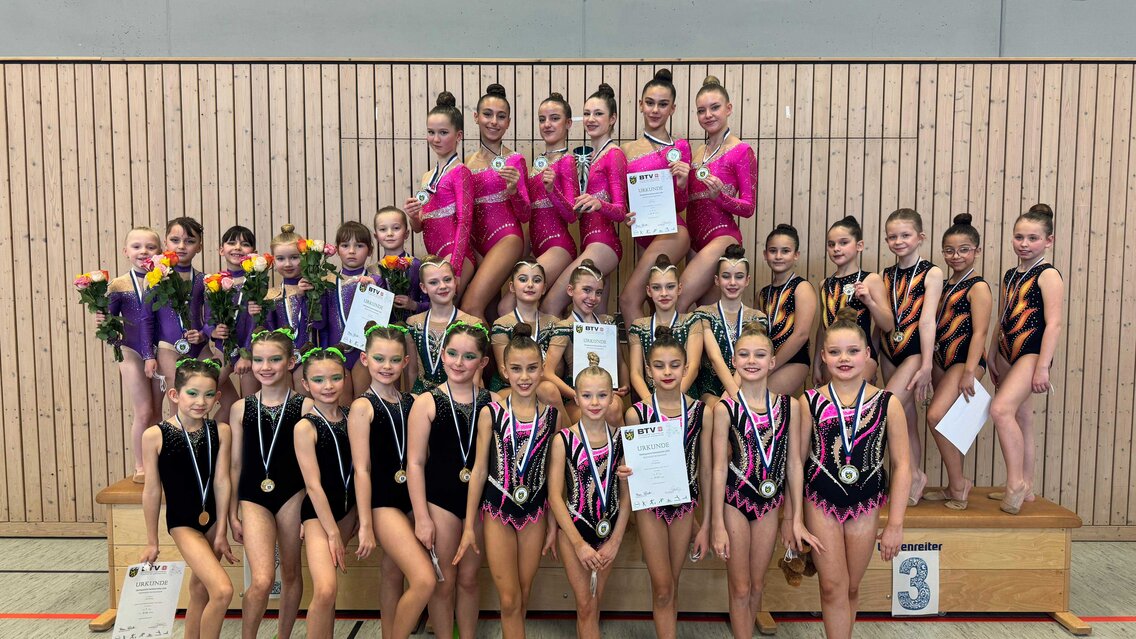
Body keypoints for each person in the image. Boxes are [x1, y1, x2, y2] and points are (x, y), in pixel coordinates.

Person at [790, 307, 911, 639]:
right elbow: (796, 462)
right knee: (832, 586)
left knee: (852, 586)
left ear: (867, 354)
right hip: (820, 499)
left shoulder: (888, 403)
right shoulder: (809, 402)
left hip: (866, 501)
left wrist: (895, 524)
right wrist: (793, 518)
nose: (844, 359)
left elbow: (903, 465)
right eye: (835, 352)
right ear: (823, 357)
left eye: (853, 351)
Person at [455, 324, 561, 639]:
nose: (524, 377)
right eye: (516, 369)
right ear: (504, 370)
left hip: (535, 511)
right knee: (510, 599)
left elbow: (557, 474)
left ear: (542, 368)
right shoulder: (492, 413)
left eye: (532, 368)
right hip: (497, 509)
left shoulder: (553, 416)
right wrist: (469, 525)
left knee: (523, 594)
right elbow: (478, 470)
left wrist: (553, 523)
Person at [407, 322, 495, 639]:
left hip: (478, 502)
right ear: (442, 355)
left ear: (483, 362)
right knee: (443, 580)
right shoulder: (427, 402)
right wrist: (421, 517)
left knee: (469, 580)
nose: (459, 362)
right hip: (439, 501)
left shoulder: (493, 402)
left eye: (469, 356)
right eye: (453, 354)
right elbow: (415, 463)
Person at [710, 323, 798, 639]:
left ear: (772, 362)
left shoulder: (790, 406)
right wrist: (717, 523)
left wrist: (793, 517)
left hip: (770, 503)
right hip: (735, 500)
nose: (751, 361)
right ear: (733, 361)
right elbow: (718, 468)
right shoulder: (725, 409)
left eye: (759, 355)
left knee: (758, 584)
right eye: (744, 355)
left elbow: (794, 464)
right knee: (740, 586)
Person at [621, 326, 709, 639]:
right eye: (659, 366)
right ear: (648, 371)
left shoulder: (700, 412)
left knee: (672, 583)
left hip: (685, 505)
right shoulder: (636, 414)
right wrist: (624, 472)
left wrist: (706, 523)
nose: (667, 372)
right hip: (651, 507)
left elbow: (706, 468)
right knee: (661, 588)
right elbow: (630, 469)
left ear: (686, 368)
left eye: (674, 365)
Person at [348, 323, 435, 639]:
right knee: (424, 580)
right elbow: (361, 469)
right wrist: (365, 524)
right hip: (383, 502)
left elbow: (421, 456)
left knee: (392, 572)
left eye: (395, 360)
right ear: (365, 359)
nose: (387, 366)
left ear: (405, 362)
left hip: (412, 498)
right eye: (379, 358)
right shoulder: (362, 406)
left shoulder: (412, 402)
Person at [139, 358, 235, 639]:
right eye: (192, 393)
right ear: (174, 394)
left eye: (208, 395)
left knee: (200, 589)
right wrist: (152, 541)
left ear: (217, 397)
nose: (200, 402)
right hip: (183, 523)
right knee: (223, 591)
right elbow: (152, 490)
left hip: (213, 520)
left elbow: (222, 480)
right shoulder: (155, 435)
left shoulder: (221, 431)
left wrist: (223, 529)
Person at [228, 328, 306, 639]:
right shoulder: (241, 408)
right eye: (259, 360)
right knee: (261, 580)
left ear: (291, 362)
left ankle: (283, 636)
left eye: (275, 359)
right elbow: (235, 465)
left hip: (292, 495)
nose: (266, 367)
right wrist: (232, 513)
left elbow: (313, 468)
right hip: (253, 496)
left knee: (291, 572)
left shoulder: (306, 407)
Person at [547, 354, 630, 639]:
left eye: (602, 395)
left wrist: (615, 541)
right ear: (576, 398)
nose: (594, 402)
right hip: (575, 531)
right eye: (587, 396)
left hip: (609, 531)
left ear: (612, 398)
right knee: (585, 605)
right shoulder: (564, 440)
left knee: (594, 605)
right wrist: (579, 544)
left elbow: (627, 497)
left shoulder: (622, 439)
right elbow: (555, 497)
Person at [988, 204, 1063, 514]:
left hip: (1031, 353)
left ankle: (1015, 482)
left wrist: (1043, 366)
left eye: (1033, 238)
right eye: (1019, 237)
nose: (1024, 244)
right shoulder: (1011, 274)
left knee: (1000, 410)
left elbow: (1054, 324)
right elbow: (1004, 316)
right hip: (1007, 351)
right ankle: (1027, 486)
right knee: (1022, 419)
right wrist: (992, 352)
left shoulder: (1048, 275)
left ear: (1048, 241)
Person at [542, 83, 632, 317]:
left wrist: (600, 203)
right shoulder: (587, 157)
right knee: (596, 321)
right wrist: (553, 190)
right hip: (590, 242)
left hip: (604, 243)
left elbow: (620, 211)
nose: (591, 119)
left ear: (612, 119)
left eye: (598, 114)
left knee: (551, 305)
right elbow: (573, 209)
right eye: (587, 114)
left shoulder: (614, 155)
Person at [924, 214, 991, 511]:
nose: (956, 256)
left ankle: (959, 484)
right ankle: (955, 484)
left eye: (964, 249)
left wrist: (969, 371)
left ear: (977, 250)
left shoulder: (978, 287)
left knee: (936, 416)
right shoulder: (943, 284)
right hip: (942, 357)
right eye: (949, 250)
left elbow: (980, 332)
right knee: (952, 424)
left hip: (964, 359)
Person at [879, 209, 943, 505]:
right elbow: (883, 319)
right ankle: (914, 476)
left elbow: (927, 320)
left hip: (915, 351)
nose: (899, 241)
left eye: (905, 235)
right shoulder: (886, 275)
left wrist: (927, 364)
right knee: (905, 417)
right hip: (888, 350)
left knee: (885, 409)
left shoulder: (932, 272)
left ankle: (909, 474)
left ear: (920, 237)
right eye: (892, 236)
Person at [619, 68, 693, 323]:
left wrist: (682, 182)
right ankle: (658, 349)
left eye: (663, 104)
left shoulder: (680, 147)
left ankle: (646, 351)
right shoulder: (626, 150)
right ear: (640, 104)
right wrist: (625, 215)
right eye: (650, 103)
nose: (655, 110)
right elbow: (623, 200)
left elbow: (681, 204)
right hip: (643, 235)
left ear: (672, 108)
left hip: (673, 232)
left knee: (628, 300)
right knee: (654, 305)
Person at [678, 76, 757, 310]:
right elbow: (686, 201)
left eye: (715, 108)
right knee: (707, 315)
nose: (708, 115)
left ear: (728, 108)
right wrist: (680, 183)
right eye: (701, 110)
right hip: (694, 240)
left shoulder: (741, 151)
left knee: (677, 300)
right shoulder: (698, 152)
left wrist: (720, 198)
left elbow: (749, 207)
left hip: (721, 235)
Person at [294, 346, 357, 638]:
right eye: (318, 380)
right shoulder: (305, 427)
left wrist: (359, 515)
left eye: (335, 378)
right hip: (319, 516)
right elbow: (313, 485)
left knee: (331, 594)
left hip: (347, 510)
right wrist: (331, 532)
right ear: (306, 384)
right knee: (325, 589)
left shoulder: (352, 416)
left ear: (345, 378)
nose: (328, 386)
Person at [502, 92, 578, 316]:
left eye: (554, 118)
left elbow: (572, 215)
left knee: (507, 306)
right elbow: (526, 214)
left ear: (568, 123)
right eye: (542, 119)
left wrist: (552, 190)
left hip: (559, 246)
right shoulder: (538, 163)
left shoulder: (567, 161)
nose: (547, 124)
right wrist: (514, 191)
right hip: (537, 246)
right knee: (540, 311)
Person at [464, 83, 530, 322]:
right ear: (476, 117)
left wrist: (513, 191)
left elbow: (525, 214)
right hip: (476, 242)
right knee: (488, 312)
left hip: (506, 238)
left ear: (508, 122)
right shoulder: (466, 163)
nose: (494, 122)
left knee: (470, 307)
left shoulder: (515, 160)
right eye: (487, 114)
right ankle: (493, 348)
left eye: (501, 117)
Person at [103, 227, 163, 481]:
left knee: (158, 412)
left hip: (160, 349)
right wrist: (104, 323)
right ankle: (140, 466)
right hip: (130, 351)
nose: (143, 251)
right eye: (137, 246)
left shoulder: (164, 280)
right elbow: (108, 322)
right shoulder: (118, 284)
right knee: (144, 411)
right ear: (125, 251)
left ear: (160, 252)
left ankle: (158, 463)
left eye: (150, 247)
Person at [403, 91, 476, 291]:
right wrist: (412, 216)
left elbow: (465, 222)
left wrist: (456, 269)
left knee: (445, 305)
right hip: (434, 255)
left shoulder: (460, 172)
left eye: (443, 132)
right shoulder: (427, 176)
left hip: (456, 254)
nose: (435, 139)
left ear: (458, 135)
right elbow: (418, 227)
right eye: (431, 132)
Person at [544, 260, 629, 424]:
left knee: (613, 407)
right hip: (576, 399)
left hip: (605, 395)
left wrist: (625, 384)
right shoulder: (564, 327)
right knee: (609, 410)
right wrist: (576, 395)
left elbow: (620, 362)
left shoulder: (607, 323)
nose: (593, 298)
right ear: (570, 290)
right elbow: (547, 372)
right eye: (587, 290)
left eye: (598, 292)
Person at [814, 216, 893, 385]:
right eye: (831, 244)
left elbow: (887, 325)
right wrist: (816, 364)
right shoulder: (824, 284)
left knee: (852, 398)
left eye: (843, 243)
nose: (836, 248)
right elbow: (822, 327)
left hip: (861, 355)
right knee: (834, 401)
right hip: (833, 356)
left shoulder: (870, 280)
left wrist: (869, 302)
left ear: (859, 245)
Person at [694, 244, 767, 404]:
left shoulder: (757, 318)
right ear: (717, 280)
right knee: (718, 410)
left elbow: (750, 356)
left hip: (747, 388)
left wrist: (732, 398)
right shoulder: (703, 314)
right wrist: (732, 399)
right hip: (710, 390)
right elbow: (714, 357)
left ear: (747, 280)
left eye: (739, 277)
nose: (732, 282)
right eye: (726, 276)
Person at [627, 254, 703, 401]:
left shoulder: (692, 321)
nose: (664, 293)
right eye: (657, 288)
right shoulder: (639, 326)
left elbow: (693, 367)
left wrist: (672, 400)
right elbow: (636, 373)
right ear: (649, 291)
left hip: (684, 397)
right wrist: (652, 403)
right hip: (650, 399)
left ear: (679, 288)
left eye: (670, 287)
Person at [404, 257, 483, 394]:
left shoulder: (472, 323)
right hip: (422, 395)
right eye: (433, 282)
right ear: (423, 287)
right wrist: (412, 400)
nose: (442, 286)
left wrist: (468, 402)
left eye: (447, 279)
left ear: (455, 281)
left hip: (459, 394)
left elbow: (476, 374)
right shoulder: (413, 323)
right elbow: (412, 371)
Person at [759, 224, 816, 396]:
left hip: (793, 360)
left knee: (761, 398)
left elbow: (801, 335)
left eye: (785, 251)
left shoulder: (802, 287)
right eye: (773, 251)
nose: (778, 256)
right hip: (766, 361)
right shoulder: (763, 293)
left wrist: (771, 367)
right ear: (765, 254)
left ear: (796, 255)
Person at [261, 224, 319, 389]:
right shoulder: (271, 295)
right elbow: (268, 332)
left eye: (294, 257)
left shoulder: (314, 290)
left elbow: (319, 324)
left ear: (305, 257)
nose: (287, 264)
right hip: (280, 361)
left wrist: (303, 297)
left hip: (309, 357)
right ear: (273, 261)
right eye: (280, 259)